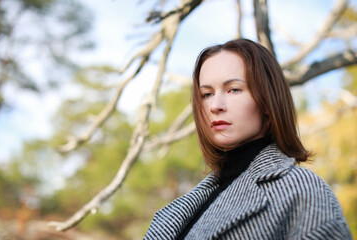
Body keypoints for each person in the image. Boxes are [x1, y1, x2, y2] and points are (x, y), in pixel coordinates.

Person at [144, 39, 352, 240]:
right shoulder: (182, 207)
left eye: (233, 89)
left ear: (267, 101)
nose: (215, 105)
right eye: (206, 94)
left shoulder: (301, 189)